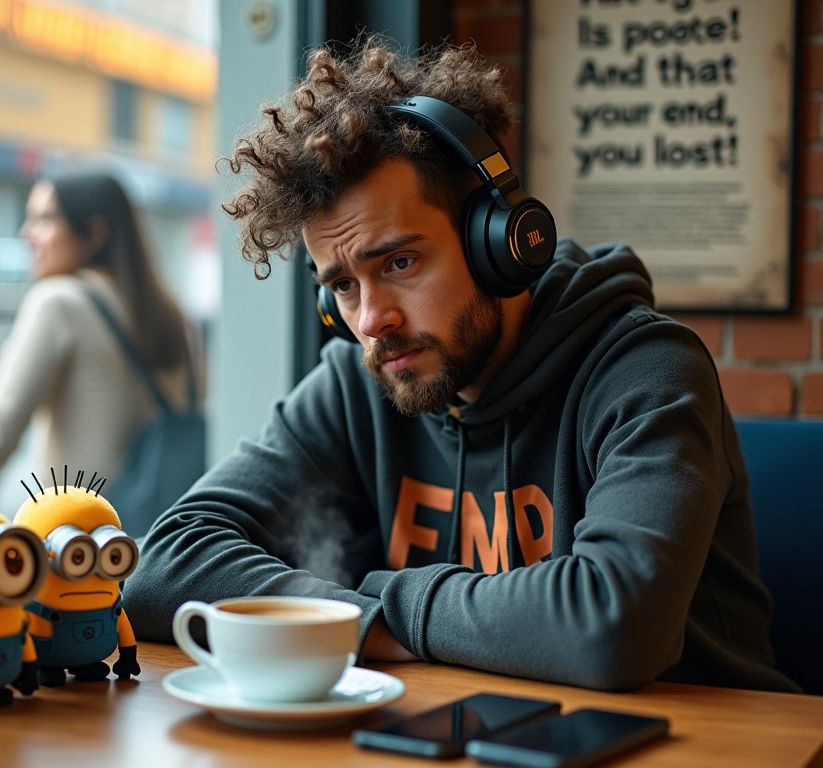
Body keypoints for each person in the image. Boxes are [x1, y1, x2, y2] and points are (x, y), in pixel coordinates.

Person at [122, 36, 798, 693]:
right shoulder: (358, 385)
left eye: (400, 262)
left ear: (498, 242)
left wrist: (388, 605)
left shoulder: (644, 370)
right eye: (344, 285)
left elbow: (611, 627)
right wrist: (365, 622)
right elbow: (164, 562)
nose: (370, 320)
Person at [0, 171, 201, 517]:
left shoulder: (59, 302)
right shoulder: (176, 315)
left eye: (45, 220)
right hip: (169, 545)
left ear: (94, 234)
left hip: (83, 548)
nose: (26, 235)